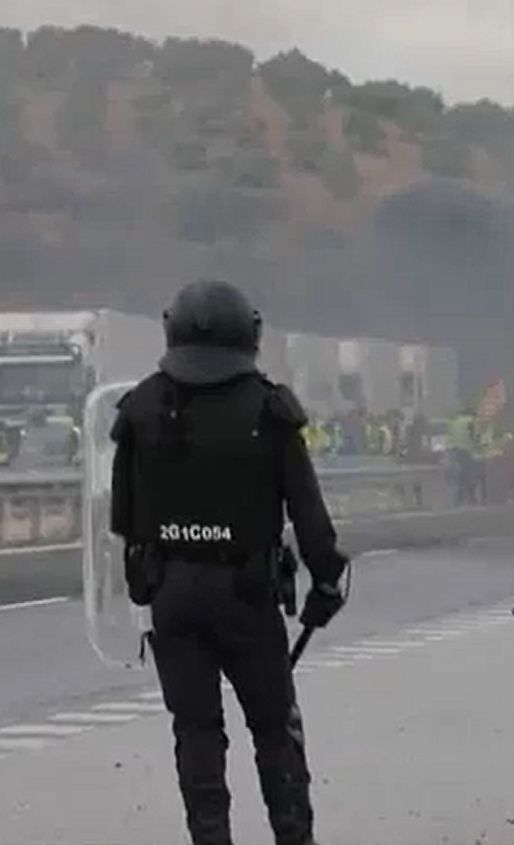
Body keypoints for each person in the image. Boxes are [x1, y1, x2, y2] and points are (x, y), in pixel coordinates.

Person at [110, 279, 348, 845]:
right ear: (251, 333)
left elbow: (124, 518)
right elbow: (310, 516)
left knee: (195, 732)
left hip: (171, 591)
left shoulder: (140, 407)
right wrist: (327, 584)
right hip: (247, 592)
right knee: (274, 727)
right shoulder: (269, 408)